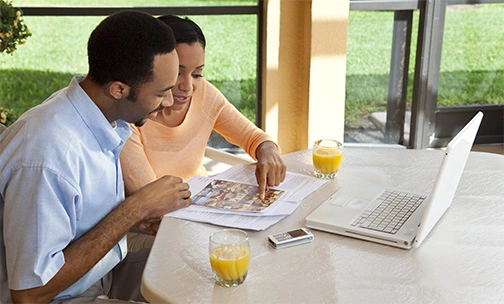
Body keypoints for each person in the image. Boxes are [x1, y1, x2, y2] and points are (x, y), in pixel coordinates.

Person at [0, 11, 192, 303]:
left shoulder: (93, 114)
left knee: (196, 262)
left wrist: (136, 218)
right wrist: (135, 209)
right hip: (58, 296)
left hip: (101, 271)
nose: (168, 103)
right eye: (160, 93)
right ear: (118, 89)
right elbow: (30, 292)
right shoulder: (47, 155)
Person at [120, 14, 287, 201]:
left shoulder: (204, 94)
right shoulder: (130, 115)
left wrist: (268, 151)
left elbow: (254, 138)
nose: (188, 87)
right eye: (177, 73)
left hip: (201, 204)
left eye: (197, 73)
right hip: (157, 222)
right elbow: (150, 199)